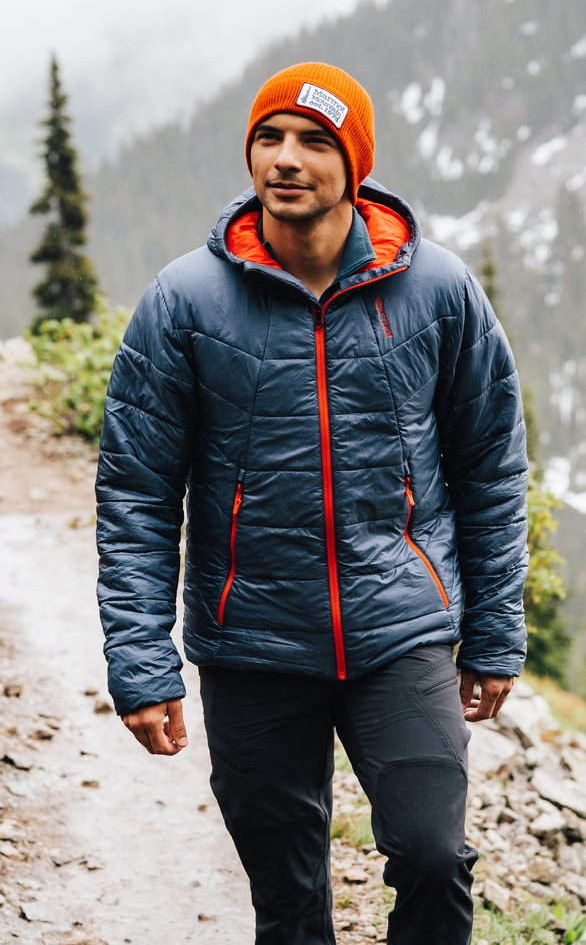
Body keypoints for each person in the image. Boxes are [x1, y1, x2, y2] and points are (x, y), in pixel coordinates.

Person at [96, 62, 529, 945]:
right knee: (288, 899)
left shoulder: (438, 291)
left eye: (314, 141)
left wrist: (494, 629)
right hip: (251, 640)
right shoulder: (185, 302)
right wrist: (141, 660)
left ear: (355, 163)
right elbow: (138, 492)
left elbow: (490, 468)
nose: (286, 159)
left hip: (401, 630)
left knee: (433, 857)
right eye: (270, 137)